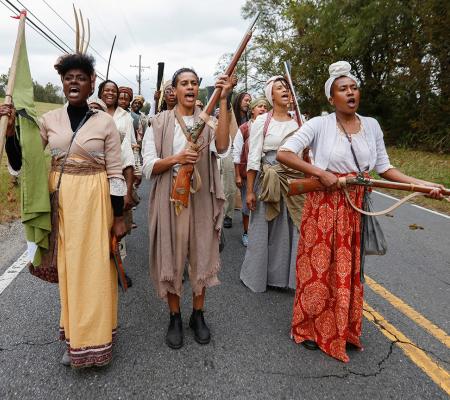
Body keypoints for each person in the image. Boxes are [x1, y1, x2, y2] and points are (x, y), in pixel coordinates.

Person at [277, 61, 444, 362]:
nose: (351, 93)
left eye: (354, 87)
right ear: (332, 98)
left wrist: (421, 184)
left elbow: (385, 168)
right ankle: (310, 328)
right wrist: (320, 172)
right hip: (324, 206)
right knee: (318, 270)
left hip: (354, 208)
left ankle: (344, 328)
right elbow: (284, 153)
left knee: (348, 270)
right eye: (343, 89)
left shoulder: (372, 126)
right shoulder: (318, 124)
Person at [3, 53, 127, 368]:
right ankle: (75, 338)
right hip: (61, 202)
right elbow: (24, 164)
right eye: (68, 77)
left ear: (91, 84)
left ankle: (99, 340)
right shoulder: (49, 121)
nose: (74, 82)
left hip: (96, 201)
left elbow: (115, 173)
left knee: (97, 270)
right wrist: (9, 136)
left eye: (81, 77)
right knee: (70, 270)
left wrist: (119, 218)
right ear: (62, 83)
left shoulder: (105, 123)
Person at [142, 68, 232, 349]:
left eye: (194, 83)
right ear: (175, 90)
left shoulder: (210, 121)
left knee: (201, 252)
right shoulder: (158, 122)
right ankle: (174, 316)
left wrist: (225, 100)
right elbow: (147, 166)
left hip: (202, 197)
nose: (190, 87)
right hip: (170, 197)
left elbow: (223, 147)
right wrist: (178, 158)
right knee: (172, 255)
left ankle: (198, 314)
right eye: (184, 83)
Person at [239, 77, 304, 293]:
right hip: (268, 181)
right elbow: (254, 157)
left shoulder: (300, 121)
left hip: (294, 180)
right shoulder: (262, 122)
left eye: (287, 88)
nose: (285, 91)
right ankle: (259, 276)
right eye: (279, 88)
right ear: (271, 95)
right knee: (265, 227)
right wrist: (249, 191)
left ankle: (291, 279)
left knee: (293, 226)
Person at [233, 97, 269, 246]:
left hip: (266, 173)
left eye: (265, 107)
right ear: (252, 110)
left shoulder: (270, 127)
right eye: (259, 106)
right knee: (247, 204)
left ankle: (262, 234)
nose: (262, 109)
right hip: (247, 173)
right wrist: (237, 175)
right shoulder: (244, 128)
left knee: (264, 205)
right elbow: (236, 152)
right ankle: (247, 232)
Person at [221, 91, 252, 229]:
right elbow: (226, 103)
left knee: (248, 185)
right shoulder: (230, 113)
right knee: (229, 187)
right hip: (231, 150)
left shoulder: (252, 117)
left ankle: (248, 214)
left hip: (247, 154)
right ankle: (227, 215)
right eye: (246, 100)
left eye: (250, 100)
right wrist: (230, 88)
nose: (248, 102)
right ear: (239, 100)